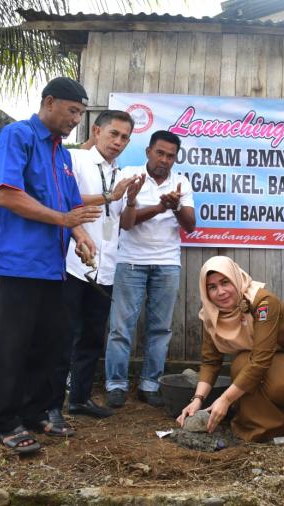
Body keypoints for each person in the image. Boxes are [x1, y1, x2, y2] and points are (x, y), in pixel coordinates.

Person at [0, 77, 101, 454]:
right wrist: (63, 222)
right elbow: (7, 195)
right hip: (16, 266)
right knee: (11, 347)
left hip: (52, 268)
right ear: (49, 102)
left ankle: (35, 413)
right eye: (71, 111)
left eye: (80, 114)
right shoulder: (16, 137)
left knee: (47, 345)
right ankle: (4, 422)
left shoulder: (61, 154)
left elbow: (71, 208)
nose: (75, 121)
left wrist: (82, 237)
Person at [49, 110, 144, 420]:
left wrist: (129, 199)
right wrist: (109, 195)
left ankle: (79, 399)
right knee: (62, 336)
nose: (118, 142)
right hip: (74, 263)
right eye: (113, 134)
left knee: (91, 337)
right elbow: (62, 199)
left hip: (104, 267)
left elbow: (125, 224)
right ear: (97, 131)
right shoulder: (75, 160)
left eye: (124, 137)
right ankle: (50, 406)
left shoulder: (121, 174)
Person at [176, 256, 284, 442]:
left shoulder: (263, 302)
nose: (221, 292)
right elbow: (211, 361)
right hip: (256, 355)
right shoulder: (211, 314)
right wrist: (197, 400)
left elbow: (260, 361)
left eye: (225, 282)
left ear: (236, 278)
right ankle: (258, 427)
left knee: (276, 387)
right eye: (212, 287)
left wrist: (226, 399)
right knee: (241, 365)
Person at [104, 130, 196, 409]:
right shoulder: (130, 176)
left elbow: (190, 225)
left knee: (160, 329)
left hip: (167, 264)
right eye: (160, 153)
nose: (165, 160)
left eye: (171, 155)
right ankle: (116, 384)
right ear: (148, 152)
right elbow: (125, 223)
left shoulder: (181, 182)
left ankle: (150, 384)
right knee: (121, 328)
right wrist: (157, 207)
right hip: (130, 261)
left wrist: (176, 205)